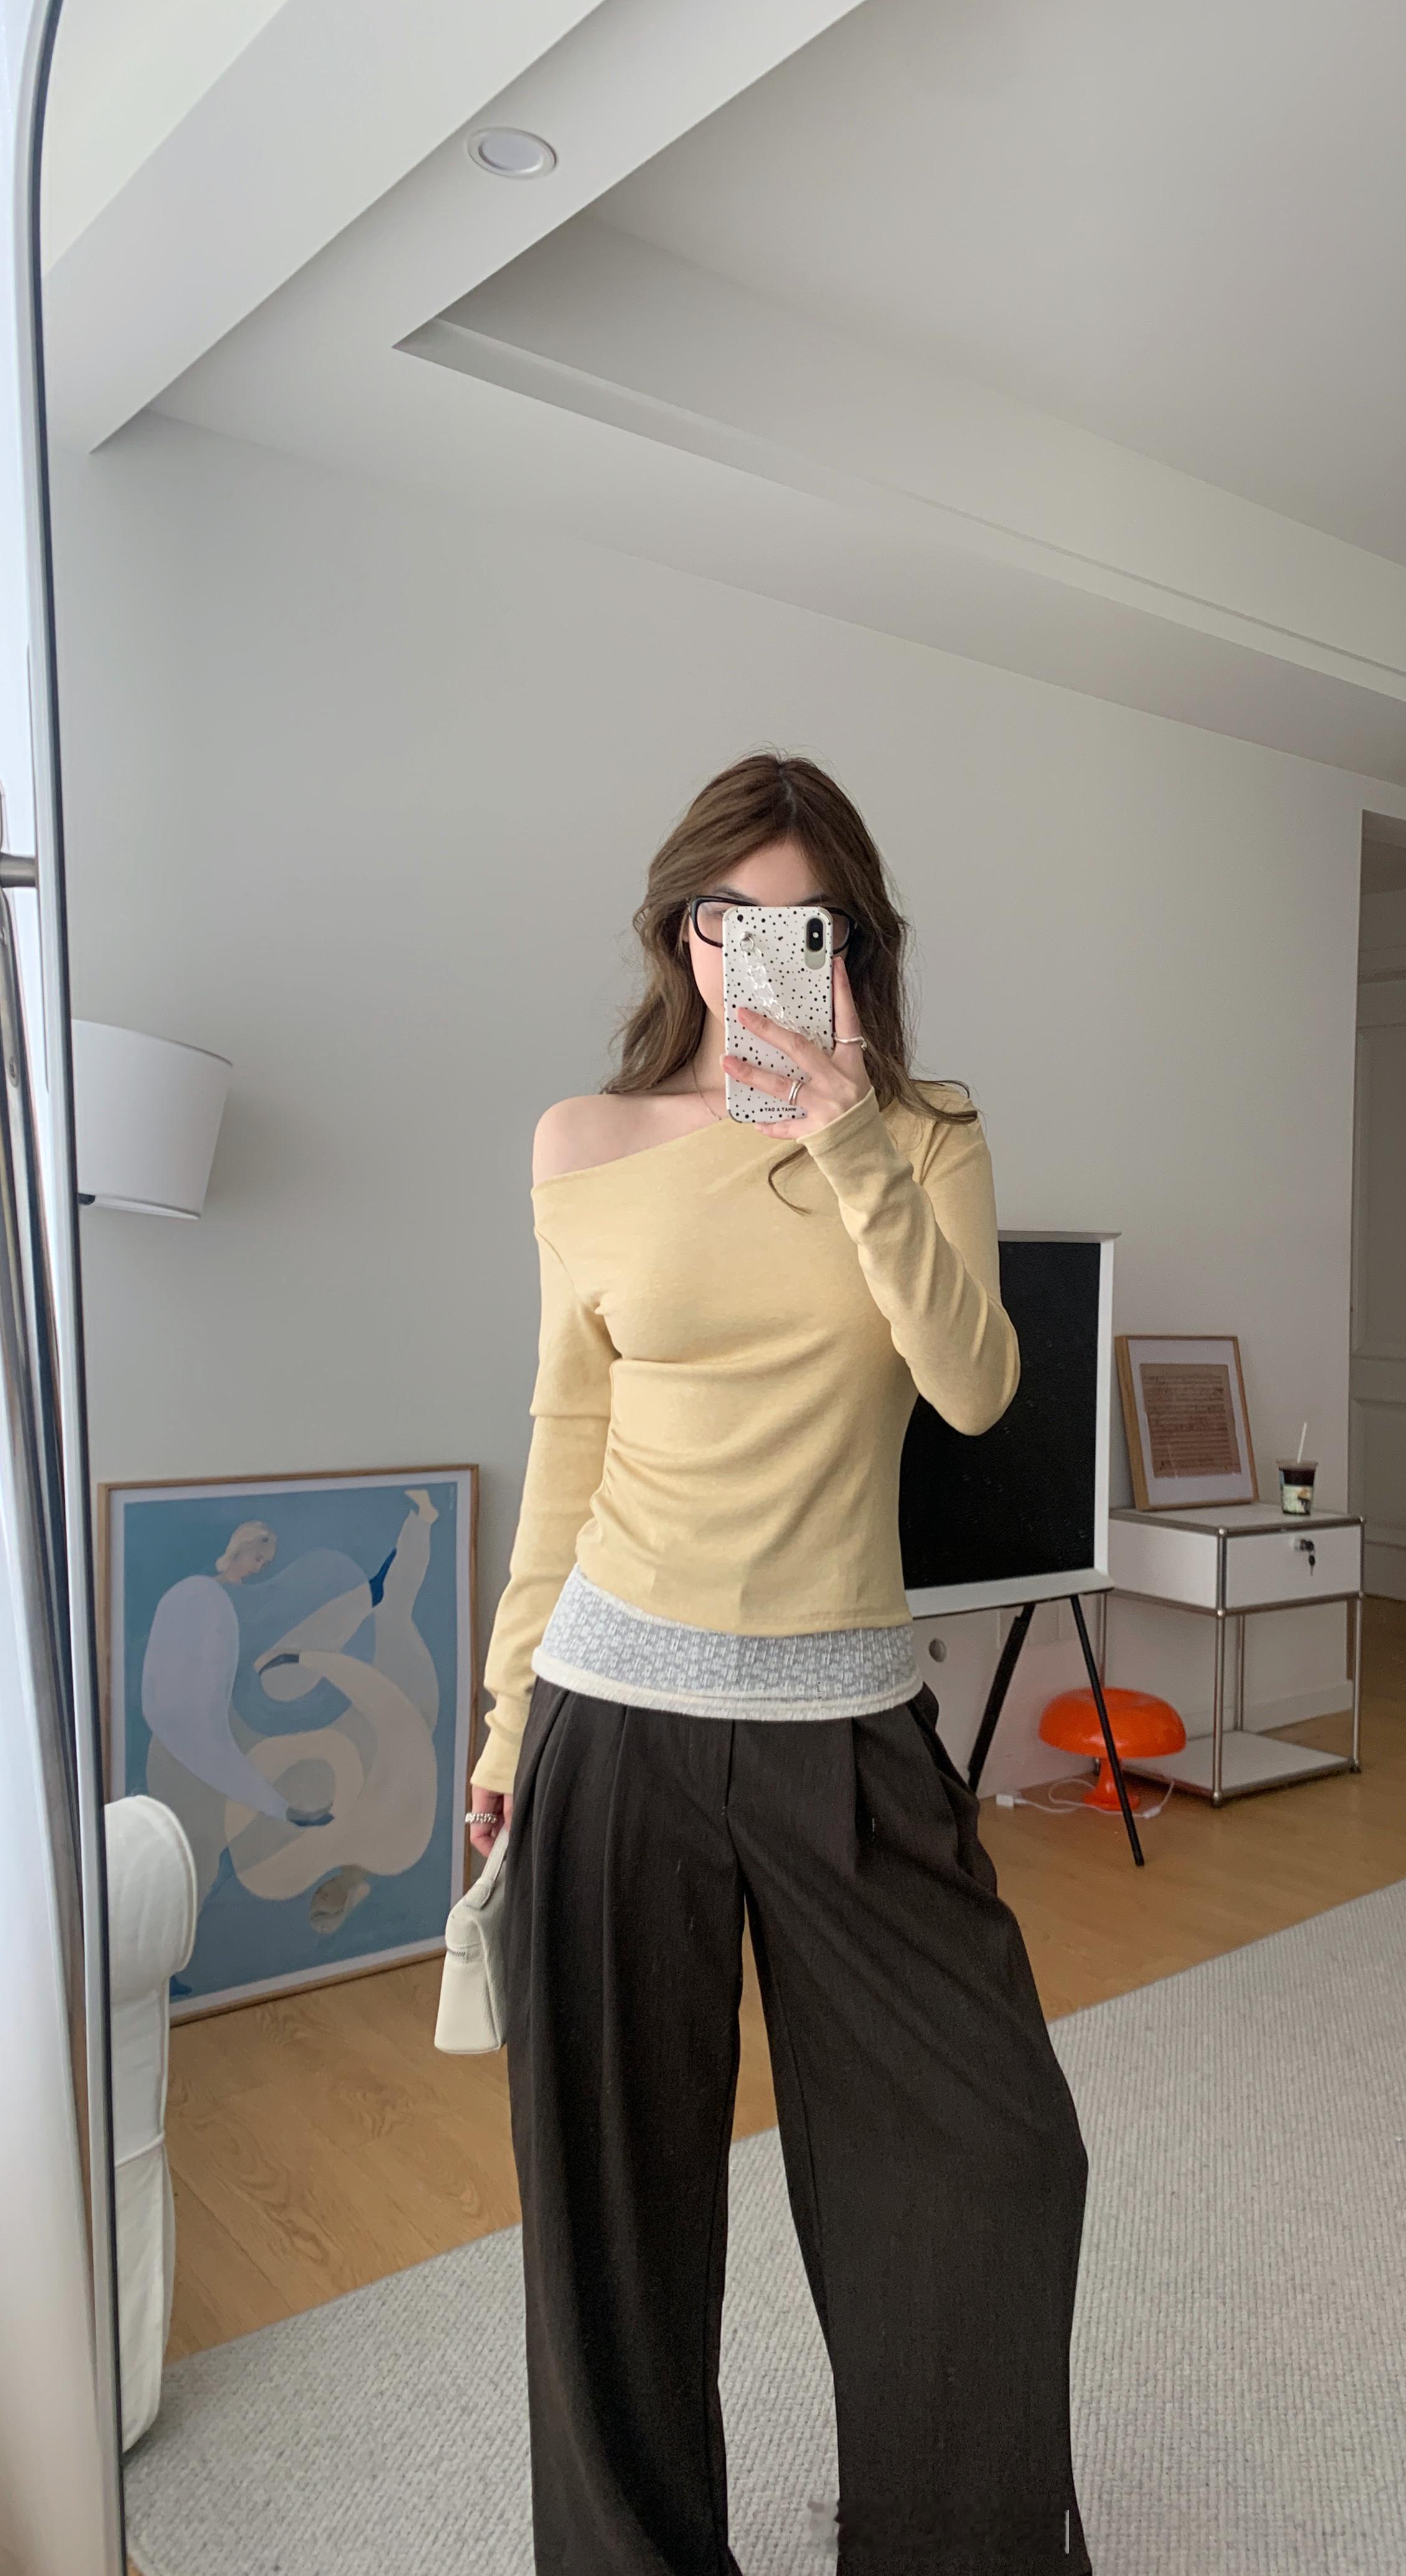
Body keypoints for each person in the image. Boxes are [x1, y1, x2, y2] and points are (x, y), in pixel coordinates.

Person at [467, 752, 1092, 2576]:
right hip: (611, 1717)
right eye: (728, 918)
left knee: (997, 2161)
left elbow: (974, 1385)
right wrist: (507, 1728)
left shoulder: (926, 1130)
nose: (759, 951)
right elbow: (565, 1445)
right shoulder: (582, 1143)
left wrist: (846, 1135)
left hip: (849, 1726)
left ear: (855, 944)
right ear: (681, 931)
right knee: (613, 2225)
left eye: (803, 923)